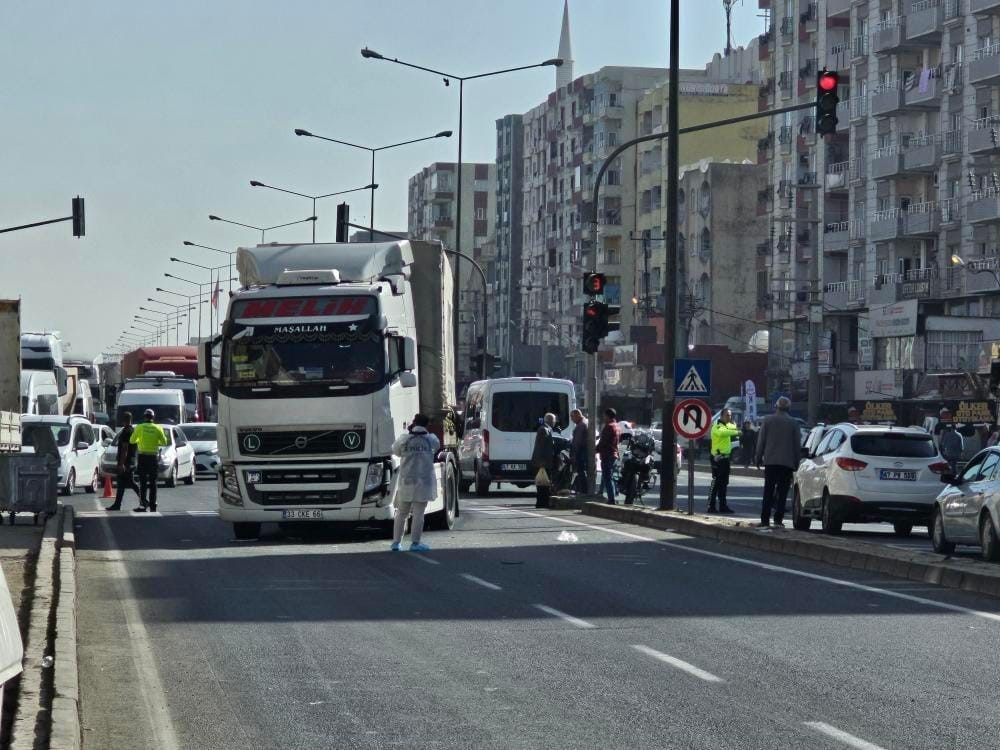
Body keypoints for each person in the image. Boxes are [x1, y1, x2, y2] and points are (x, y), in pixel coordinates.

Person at [390, 413, 440, 552]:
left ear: (414, 423)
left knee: (401, 513)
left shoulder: (404, 439)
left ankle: (396, 543)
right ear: (427, 425)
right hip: (423, 483)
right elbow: (435, 449)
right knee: (419, 514)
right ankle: (415, 543)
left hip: (406, 482)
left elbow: (396, 451)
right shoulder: (431, 439)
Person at [754, 397, 801, 528]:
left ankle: (765, 519)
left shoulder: (767, 420)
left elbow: (761, 441)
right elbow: (797, 445)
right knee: (783, 492)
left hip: (770, 461)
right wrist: (797, 462)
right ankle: (778, 519)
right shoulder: (793, 423)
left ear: (776, 407)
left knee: (768, 491)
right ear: (789, 408)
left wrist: (758, 458)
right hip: (787, 463)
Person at [129, 409, 168, 513]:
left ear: (144, 417)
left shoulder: (139, 427)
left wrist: (140, 440)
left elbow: (132, 440)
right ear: (153, 418)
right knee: (153, 483)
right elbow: (164, 442)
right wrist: (156, 442)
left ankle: (142, 505)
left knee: (143, 482)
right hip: (153, 458)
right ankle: (153, 505)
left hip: (142, 457)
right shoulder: (158, 428)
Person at [707, 409, 739, 514]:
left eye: (730, 415)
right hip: (717, 458)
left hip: (726, 458)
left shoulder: (727, 425)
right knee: (716, 482)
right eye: (727, 415)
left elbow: (733, 427)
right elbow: (722, 433)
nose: (729, 417)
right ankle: (711, 506)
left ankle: (723, 506)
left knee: (724, 483)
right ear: (721, 416)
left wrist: (735, 427)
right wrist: (736, 430)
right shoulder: (717, 425)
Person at [106, 412, 138, 511]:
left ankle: (145, 500)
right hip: (131, 461)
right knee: (123, 483)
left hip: (126, 462)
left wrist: (122, 464)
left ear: (124, 420)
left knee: (129, 482)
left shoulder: (126, 432)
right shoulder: (132, 430)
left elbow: (125, 448)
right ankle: (117, 504)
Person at [530, 413, 557, 509]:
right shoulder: (544, 430)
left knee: (544, 483)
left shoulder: (545, 429)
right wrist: (542, 462)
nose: (555, 422)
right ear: (550, 420)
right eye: (554, 420)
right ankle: (542, 502)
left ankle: (543, 501)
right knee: (543, 483)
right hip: (543, 462)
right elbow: (541, 447)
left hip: (543, 461)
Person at [596, 408, 620, 504]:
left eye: (604, 415)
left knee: (607, 477)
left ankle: (611, 499)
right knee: (609, 476)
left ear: (607, 416)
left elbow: (603, 442)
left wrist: (595, 450)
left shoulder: (609, 427)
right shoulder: (617, 426)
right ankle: (612, 495)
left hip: (607, 454)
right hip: (613, 453)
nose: (603, 417)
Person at [569, 409, 589, 493]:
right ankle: (581, 489)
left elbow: (577, 442)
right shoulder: (585, 422)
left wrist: (573, 454)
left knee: (581, 471)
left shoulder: (581, 425)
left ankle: (583, 491)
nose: (571, 419)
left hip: (581, 452)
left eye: (572, 416)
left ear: (577, 415)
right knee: (582, 471)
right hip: (584, 451)